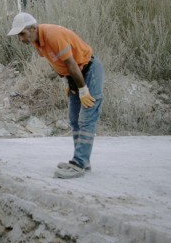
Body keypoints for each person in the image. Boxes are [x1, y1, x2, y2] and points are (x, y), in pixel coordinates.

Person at [7, 12, 104, 179]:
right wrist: (70, 83)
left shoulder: (52, 35)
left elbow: (71, 63)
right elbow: (59, 64)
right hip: (75, 77)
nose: (20, 39)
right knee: (74, 119)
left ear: (33, 28)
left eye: (22, 33)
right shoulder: (38, 42)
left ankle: (79, 163)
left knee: (87, 118)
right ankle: (81, 161)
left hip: (89, 71)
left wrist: (83, 89)